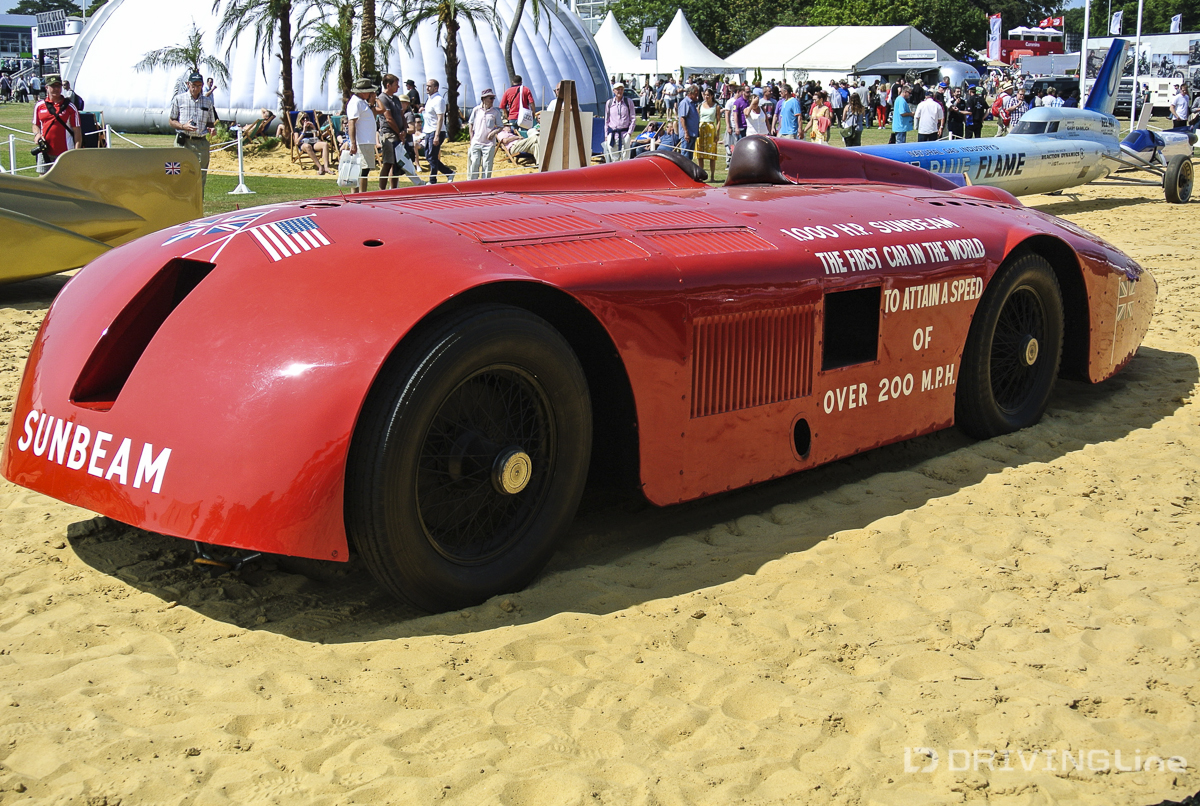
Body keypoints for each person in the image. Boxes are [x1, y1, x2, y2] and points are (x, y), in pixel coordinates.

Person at [168, 71, 219, 188]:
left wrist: (212, 129)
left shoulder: (207, 102)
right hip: (183, 142)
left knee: (199, 178)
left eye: (199, 86)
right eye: (194, 85)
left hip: (201, 144)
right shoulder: (179, 99)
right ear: (188, 84)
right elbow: (171, 120)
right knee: (179, 176)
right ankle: (180, 204)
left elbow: (210, 122)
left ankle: (197, 205)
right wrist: (182, 126)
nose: (196, 88)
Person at [377, 74, 424, 187]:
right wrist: (399, 132)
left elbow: (401, 115)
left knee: (397, 164)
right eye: (395, 85)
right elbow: (388, 118)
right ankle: (381, 190)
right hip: (388, 134)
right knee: (388, 162)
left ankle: (394, 189)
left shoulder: (396, 99)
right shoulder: (382, 98)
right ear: (388, 85)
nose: (398, 87)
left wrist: (403, 130)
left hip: (398, 134)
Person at [32, 74, 82, 174]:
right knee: (43, 180)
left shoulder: (70, 107)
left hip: (65, 152)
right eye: (53, 86)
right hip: (45, 151)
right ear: (46, 87)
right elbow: (35, 124)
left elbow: (77, 131)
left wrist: (76, 152)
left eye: (58, 86)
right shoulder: (39, 106)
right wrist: (37, 134)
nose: (56, 89)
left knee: (66, 180)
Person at [422, 77, 456, 183]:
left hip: (436, 131)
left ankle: (433, 179)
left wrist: (436, 135)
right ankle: (448, 172)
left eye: (429, 86)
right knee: (428, 155)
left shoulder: (438, 100)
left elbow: (440, 117)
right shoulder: (430, 99)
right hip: (428, 130)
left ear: (436, 88)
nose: (427, 88)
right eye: (427, 86)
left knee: (432, 155)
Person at [467, 88, 504, 180]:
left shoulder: (495, 112)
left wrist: (493, 132)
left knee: (487, 165)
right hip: (476, 141)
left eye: (493, 98)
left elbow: (500, 126)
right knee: (474, 163)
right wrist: (471, 138)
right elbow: (470, 123)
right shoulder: (476, 110)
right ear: (484, 99)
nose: (492, 100)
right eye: (490, 98)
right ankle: (472, 185)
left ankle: (485, 185)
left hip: (489, 143)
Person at [603, 83, 636, 161]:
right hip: (613, 134)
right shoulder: (609, 103)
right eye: (618, 89)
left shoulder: (628, 102)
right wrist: (606, 135)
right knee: (614, 159)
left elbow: (633, 118)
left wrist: (629, 133)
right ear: (614, 91)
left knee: (626, 158)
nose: (620, 91)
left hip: (625, 134)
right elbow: (606, 120)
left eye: (621, 89)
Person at [696, 87, 721, 177]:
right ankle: (701, 174)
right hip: (701, 129)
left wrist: (717, 134)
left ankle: (712, 176)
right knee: (700, 154)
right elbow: (697, 118)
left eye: (708, 95)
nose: (706, 97)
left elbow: (718, 121)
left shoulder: (716, 106)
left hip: (710, 129)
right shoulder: (700, 105)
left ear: (712, 96)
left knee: (711, 154)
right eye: (705, 95)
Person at [677, 84, 700, 160]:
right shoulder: (685, 103)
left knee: (690, 157)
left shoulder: (692, 103)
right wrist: (686, 133)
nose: (697, 96)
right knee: (685, 157)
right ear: (690, 93)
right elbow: (682, 118)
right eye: (696, 94)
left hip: (693, 133)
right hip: (687, 135)